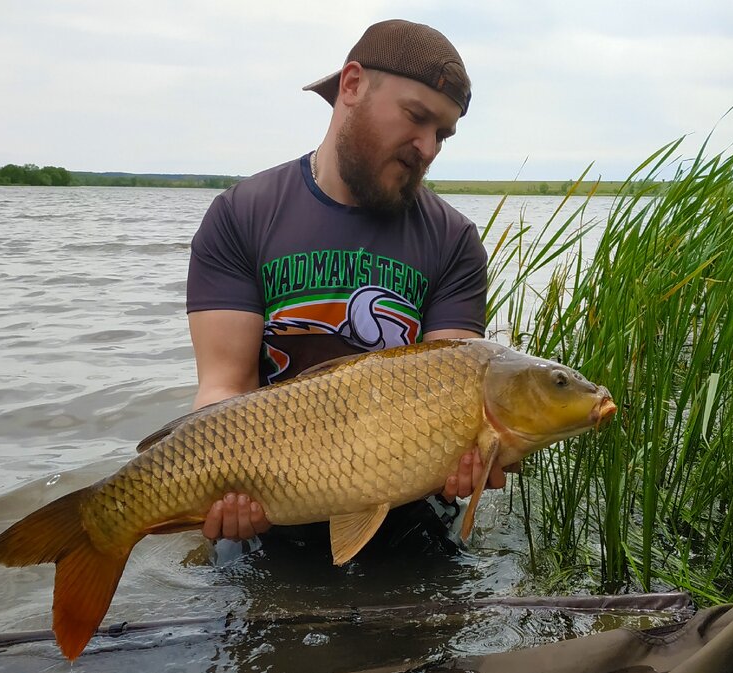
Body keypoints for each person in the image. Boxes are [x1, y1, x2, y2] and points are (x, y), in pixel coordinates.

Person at [185, 19, 505, 555]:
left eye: (443, 134)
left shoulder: (454, 241)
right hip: (270, 514)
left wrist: (474, 455)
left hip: (409, 517)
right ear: (352, 85)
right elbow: (223, 386)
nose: (427, 147)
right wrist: (219, 489)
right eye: (416, 118)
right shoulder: (241, 215)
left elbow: (459, 388)